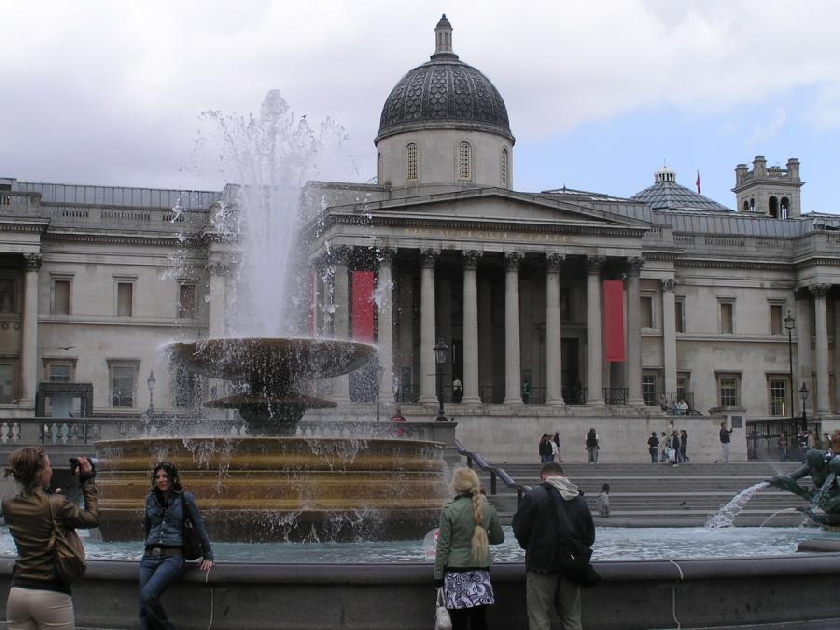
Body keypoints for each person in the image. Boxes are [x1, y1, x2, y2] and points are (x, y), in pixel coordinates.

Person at [1, 447, 99, 630]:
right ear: (39, 472)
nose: (51, 470)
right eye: (49, 465)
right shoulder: (57, 503)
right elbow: (92, 519)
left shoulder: (8, 504)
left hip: (18, 593)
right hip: (51, 594)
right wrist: (88, 480)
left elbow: (40, 508)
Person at [512, 462, 595, 630]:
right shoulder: (578, 499)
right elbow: (589, 537)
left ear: (544, 478)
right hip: (571, 569)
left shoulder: (533, 496)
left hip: (540, 567)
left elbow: (520, 531)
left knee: (539, 619)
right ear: (563, 476)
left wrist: (532, 546)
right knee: (572, 619)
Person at [140, 462, 214, 630]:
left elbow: (198, 525)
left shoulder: (185, 497)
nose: (161, 480)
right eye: (158, 477)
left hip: (172, 557)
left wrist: (208, 555)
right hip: (149, 557)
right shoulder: (150, 498)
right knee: (143, 607)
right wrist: (147, 546)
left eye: (165, 476)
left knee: (148, 595)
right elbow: (148, 525)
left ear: (173, 478)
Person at [434, 467, 504, 630]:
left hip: (456, 573)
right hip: (481, 572)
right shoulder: (488, 508)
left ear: (455, 486)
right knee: (480, 621)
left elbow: (442, 547)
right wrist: (479, 539)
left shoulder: (449, 510)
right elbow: (499, 538)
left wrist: (438, 576)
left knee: (458, 623)